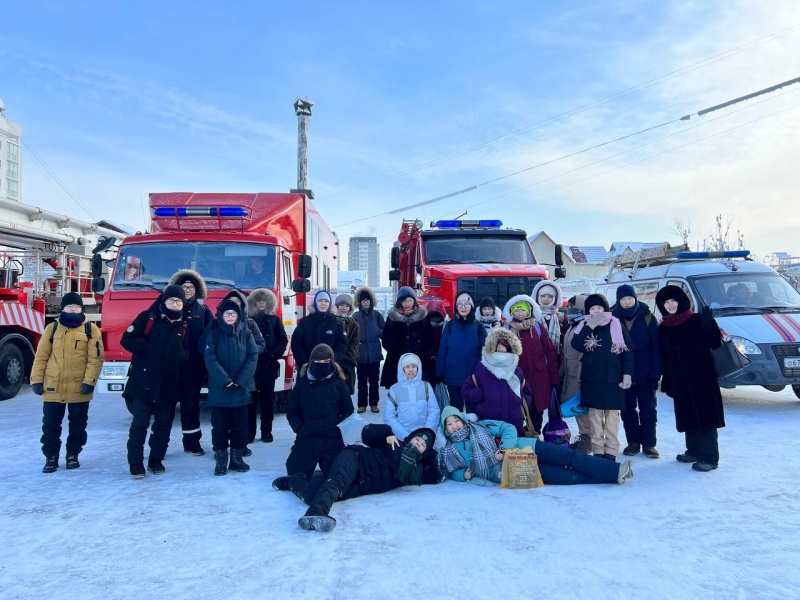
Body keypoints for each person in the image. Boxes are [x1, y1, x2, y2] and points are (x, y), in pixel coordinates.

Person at [272, 424, 441, 532]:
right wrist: (386, 432)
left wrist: (431, 453)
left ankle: (294, 480)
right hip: (355, 459)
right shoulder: (394, 442)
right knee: (336, 483)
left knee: (311, 495)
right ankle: (316, 513)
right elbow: (366, 433)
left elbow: (435, 476)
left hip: (362, 486)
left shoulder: (414, 471)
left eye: (422, 445)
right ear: (410, 437)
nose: (417, 443)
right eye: (417, 439)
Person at [440, 407, 634, 485]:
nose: (454, 425)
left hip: (528, 447)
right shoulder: (450, 450)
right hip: (512, 470)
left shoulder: (482, 426)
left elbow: (508, 428)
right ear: (445, 429)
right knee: (567, 477)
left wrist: (505, 449)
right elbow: (452, 471)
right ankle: (608, 478)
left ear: (462, 420)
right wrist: (463, 475)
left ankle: (615, 471)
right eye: (449, 424)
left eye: (456, 420)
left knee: (570, 457)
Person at [31, 292, 104, 473]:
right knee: (50, 425)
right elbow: (41, 356)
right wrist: (36, 379)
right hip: (53, 386)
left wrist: (90, 382)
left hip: (80, 387)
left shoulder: (91, 330)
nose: (73, 309)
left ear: (81, 309)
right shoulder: (52, 329)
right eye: (70, 306)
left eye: (77, 306)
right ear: (63, 308)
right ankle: (51, 457)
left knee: (78, 424)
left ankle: (73, 454)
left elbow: (96, 359)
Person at [656, 285, 725, 472]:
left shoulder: (695, 319)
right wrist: (667, 379)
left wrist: (710, 323)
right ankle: (693, 451)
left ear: (681, 301)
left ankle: (710, 457)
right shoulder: (663, 327)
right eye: (666, 302)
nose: (670, 305)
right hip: (680, 379)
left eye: (673, 301)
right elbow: (664, 356)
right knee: (687, 414)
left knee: (706, 417)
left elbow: (715, 342)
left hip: (702, 377)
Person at [123, 285, 189, 478]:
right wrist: (147, 348)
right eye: (171, 300)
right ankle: (135, 463)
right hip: (143, 383)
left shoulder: (184, 324)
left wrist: (182, 355)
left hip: (168, 385)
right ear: (164, 301)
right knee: (140, 424)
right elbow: (126, 340)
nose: (175, 304)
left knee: (163, 426)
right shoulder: (147, 317)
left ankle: (156, 461)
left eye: (179, 301)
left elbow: (187, 350)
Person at [570, 293, 634, 461]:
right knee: (595, 419)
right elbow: (576, 344)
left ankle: (611, 450)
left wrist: (628, 374)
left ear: (605, 308)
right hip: (592, 380)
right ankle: (598, 449)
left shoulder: (617, 325)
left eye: (599, 308)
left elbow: (628, 352)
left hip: (614, 380)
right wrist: (590, 325)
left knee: (612, 419)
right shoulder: (584, 325)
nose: (596, 311)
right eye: (592, 308)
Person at [203, 296, 259, 475]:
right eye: (227, 313)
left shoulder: (247, 333)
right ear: (221, 315)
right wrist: (225, 380)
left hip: (240, 390)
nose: (230, 316)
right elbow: (210, 359)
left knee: (239, 426)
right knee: (219, 427)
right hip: (220, 390)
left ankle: (236, 459)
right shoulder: (214, 334)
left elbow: (252, 356)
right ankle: (221, 460)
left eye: (233, 313)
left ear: (238, 315)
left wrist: (241, 380)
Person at [285, 344, 354, 479]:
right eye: (317, 362)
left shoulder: (339, 384)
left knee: (337, 475)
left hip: (332, 437)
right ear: (311, 362)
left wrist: (338, 429)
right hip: (307, 436)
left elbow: (348, 410)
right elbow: (292, 411)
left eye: (325, 362)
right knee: (294, 473)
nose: (321, 365)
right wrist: (300, 428)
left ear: (332, 363)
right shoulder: (302, 384)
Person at [611, 284, 662, 459]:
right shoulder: (613, 318)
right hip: (623, 372)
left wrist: (656, 373)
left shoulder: (647, 317)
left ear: (635, 298)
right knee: (627, 409)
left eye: (630, 298)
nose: (627, 302)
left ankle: (649, 444)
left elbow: (657, 347)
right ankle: (633, 442)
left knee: (648, 409)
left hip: (646, 371)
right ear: (619, 300)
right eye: (623, 299)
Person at [168, 269, 213, 456]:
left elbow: (212, 336)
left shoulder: (203, 311)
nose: (187, 290)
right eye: (183, 286)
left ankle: (192, 443)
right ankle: (160, 445)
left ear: (197, 290)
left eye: (191, 287)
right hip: (169, 368)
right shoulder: (165, 309)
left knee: (190, 406)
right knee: (166, 407)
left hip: (193, 368)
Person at [502, 294, 560, 435]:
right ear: (512, 312)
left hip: (539, 378)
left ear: (529, 311)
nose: (520, 313)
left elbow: (550, 353)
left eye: (522, 310)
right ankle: (519, 440)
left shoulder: (538, 328)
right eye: (516, 310)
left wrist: (554, 379)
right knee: (517, 410)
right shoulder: (506, 330)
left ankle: (535, 437)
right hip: (517, 379)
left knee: (537, 411)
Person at [461, 328, 533, 437]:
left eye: (505, 347)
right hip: (489, 424)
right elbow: (466, 391)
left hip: (514, 423)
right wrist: (483, 393)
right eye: (498, 348)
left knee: (513, 453)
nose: (502, 351)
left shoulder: (516, 370)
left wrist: (519, 404)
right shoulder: (482, 368)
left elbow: (527, 392)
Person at [246, 288, 288, 443]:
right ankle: (250, 433)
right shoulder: (248, 320)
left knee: (267, 402)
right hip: (251, 367)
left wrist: (273, 354)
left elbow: (283, 340)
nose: (261, 303)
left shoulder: (275, 320)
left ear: (269, 302)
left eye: (264, 300)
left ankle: (266, 432)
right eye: (258, 300)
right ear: (254, 302)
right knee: (250, 402)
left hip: (269, 366)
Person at [436, 292, 486, 411]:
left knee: (473, 409)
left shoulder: (479, 327)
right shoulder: (450, 326)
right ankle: (456, 430)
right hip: (453, 375)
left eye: (466, 304)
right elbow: (443, 350)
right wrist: (439, 373)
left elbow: (486, 352)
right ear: (456, 307)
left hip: (473, 376)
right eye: (460, 304)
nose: (463, 307)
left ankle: (473, 429)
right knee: (455, 408)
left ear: (472, 307)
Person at [380, 286, 432, 392]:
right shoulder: (392, 316)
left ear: (414, 301)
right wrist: (400, 351)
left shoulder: (422, 315)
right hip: (396, 360)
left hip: (419, 360)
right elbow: (386, 340)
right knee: (399, 391)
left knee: (419, 391)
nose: (407, 304)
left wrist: (418, 350)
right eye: (404, 301)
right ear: (399, 302)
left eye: (410, 300)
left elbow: (429, 337)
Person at [561, 295, 592, 454]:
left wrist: (581, 375)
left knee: (583, 410)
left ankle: (588, 441)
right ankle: (584, 437)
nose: (569, 310)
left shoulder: (584, 325)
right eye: (569, 306)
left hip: (579, 375)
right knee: (577, 408)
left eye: (573, 306)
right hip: (570, 374)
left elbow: (584, 353)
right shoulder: (574, 324)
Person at [384, 353, 439, 441]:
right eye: (407, 367)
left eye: (413, 366)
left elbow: (434, 411)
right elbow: (389, 416)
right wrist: (405, 436)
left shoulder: (426, 386)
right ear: (402, 369)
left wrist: (427, 433)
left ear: (418, 368)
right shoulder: (395, 389)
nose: (411, 370)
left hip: (424, 436)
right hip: (402, 437)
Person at [291, 290, 348, 370]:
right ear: (315, 303)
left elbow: (341, 345)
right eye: (320, 300)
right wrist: (304, 362)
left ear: (330, 304)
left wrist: (333, 361)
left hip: (330, 368)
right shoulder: (305, 322)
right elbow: (296, 343)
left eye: (326, 301)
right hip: (308, 367)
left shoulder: (337, 322)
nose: (323, 303)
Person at [352, 285, 384, 414]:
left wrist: (377, 332)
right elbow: (351, 333)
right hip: (360, 355)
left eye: (367, 300)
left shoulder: (377, 315)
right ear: (359, 302)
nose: (365, 302)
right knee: (361, 382)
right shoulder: (355, 316)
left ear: (371, 302)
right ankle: (362, 404)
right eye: (363, 300)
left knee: (374, 381)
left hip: (375, 354)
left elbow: (385, 332)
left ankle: (374, 404)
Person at [334, 293, 360, 396]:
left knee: (345, 394)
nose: (344, 308)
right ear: (337, 306)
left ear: (350, 308)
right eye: (341, 305)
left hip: (348, 364)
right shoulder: (332, 321)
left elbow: (354, 344)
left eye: (347, 306)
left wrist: (347, 362)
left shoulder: (354, 324)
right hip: (333, 363)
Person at [532, 280, 567, 358]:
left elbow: (567, 332)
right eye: (543, 296)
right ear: (538, 297)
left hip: (555, 354)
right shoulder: (532, 315)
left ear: (555, 298)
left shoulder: (559, 316)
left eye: (550, 296)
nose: (546, 299)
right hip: (537, 353)